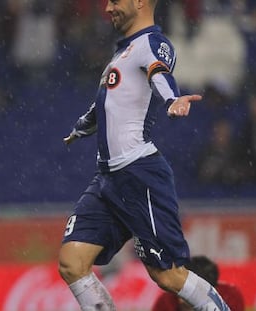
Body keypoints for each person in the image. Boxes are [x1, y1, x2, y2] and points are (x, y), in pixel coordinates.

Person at [58, 1, 230, 310]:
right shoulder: (121, 52)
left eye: (115, 1)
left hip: (139, 174)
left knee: (168, 275)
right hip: (108, 179)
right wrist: (81, 127)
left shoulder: (152, 42)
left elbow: (159, 72)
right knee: (72, 261)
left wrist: (173, 99)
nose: (108, 8)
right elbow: (106, 106)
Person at [152, 255, 245, 311]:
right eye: (182, 289)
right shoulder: (166, 303)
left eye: (192, 292)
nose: (182, 300)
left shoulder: (230, 297)